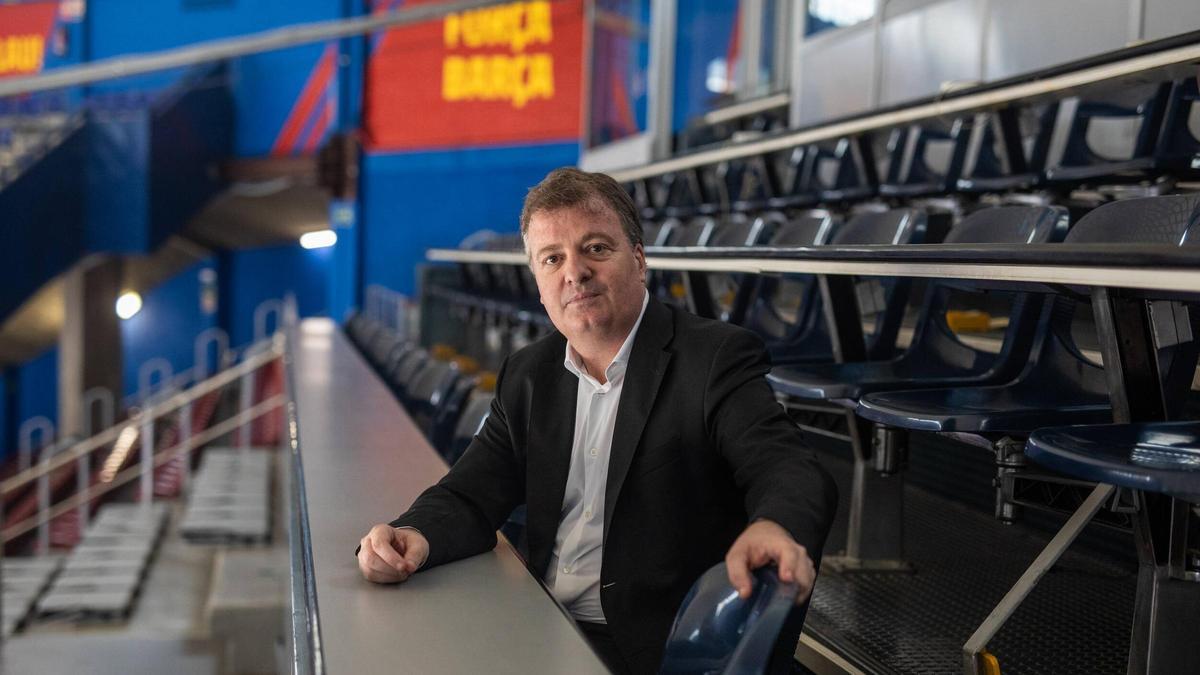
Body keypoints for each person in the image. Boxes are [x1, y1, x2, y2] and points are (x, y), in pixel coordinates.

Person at [357, 167, 837, 674]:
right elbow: (471, 493)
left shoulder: (713, 358)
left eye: (596, 249)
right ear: (539, 283)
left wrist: (773, 525)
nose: (575, 272)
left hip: (653, 649)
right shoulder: (529, 374)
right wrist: (410, 536)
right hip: (538, 624)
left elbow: (788, 468)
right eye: (552, 258)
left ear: (639, 259)